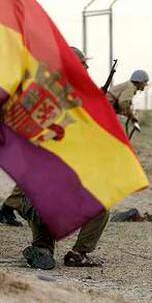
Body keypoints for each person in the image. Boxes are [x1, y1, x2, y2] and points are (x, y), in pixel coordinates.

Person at [0, 46, 109, 269]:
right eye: (84, 64)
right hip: (54, 196)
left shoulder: (38, 96)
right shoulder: (76, 102)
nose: (87, 68)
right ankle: (79, 254)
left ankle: (42, 247)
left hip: (32, 200)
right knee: (101, 203)